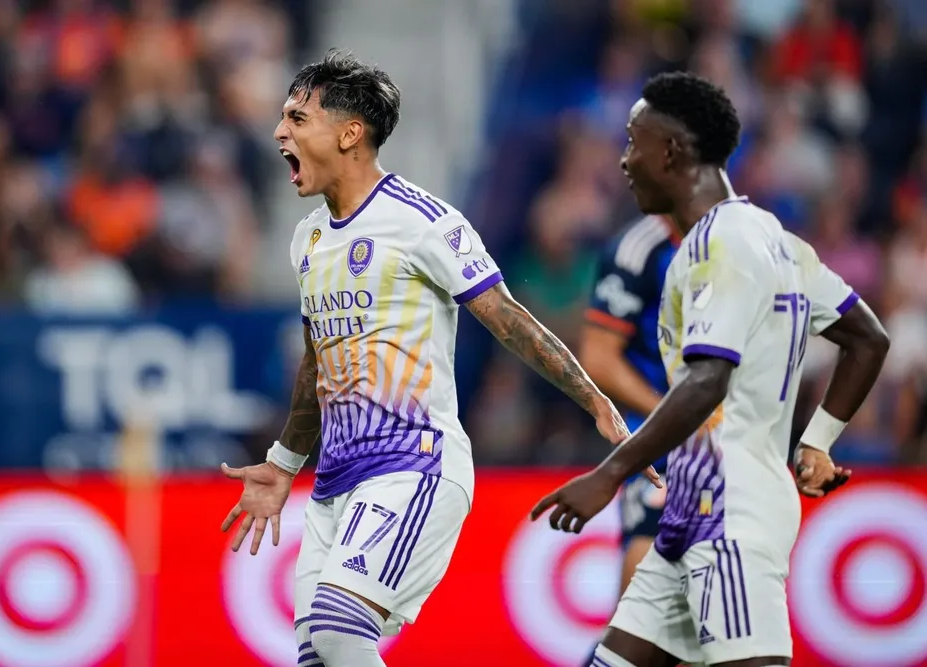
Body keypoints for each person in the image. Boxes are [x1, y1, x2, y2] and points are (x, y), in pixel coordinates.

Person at [216, 50, 657, 667]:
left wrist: (595, 402)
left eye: (297, 116)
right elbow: (320, 358)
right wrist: (285, 463)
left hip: (413, 464)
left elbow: (508, 319)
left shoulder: (422, 221)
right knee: (320, 655)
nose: (279, 130)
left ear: (349, 134)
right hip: (335, 484)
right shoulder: (308, 238)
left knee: (342, 631)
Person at [531, 72, 890, 667]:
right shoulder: (776, 240)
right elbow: (866, 338)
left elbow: (706, 379)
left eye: (633, 142)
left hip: (729, 514)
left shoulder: (715, 246)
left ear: (670, 151)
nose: (624, 161)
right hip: (691, 512)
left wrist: (610, 474)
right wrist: (816, 444)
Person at [579, 213, 677, 663]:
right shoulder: (638, 249)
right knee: (642, 598)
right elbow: (597, 358)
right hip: (663, 446)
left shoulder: (746, 238)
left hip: (737, 447)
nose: (628, 163)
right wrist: (676, 416)